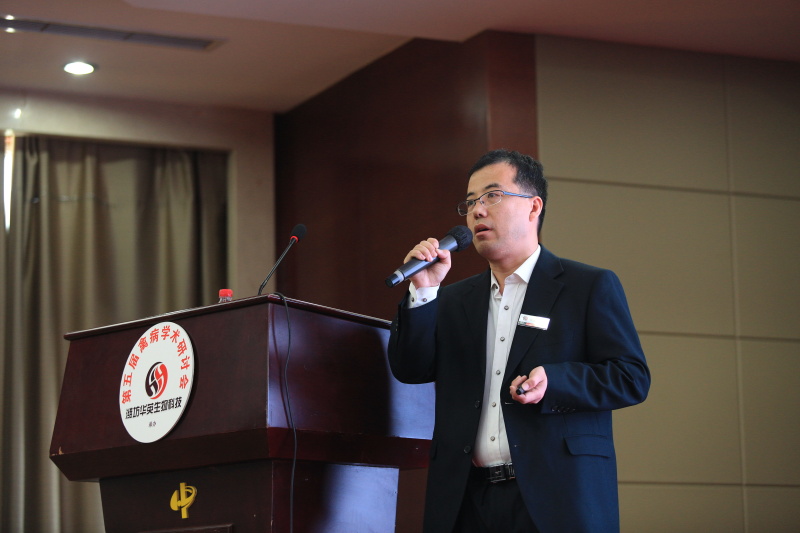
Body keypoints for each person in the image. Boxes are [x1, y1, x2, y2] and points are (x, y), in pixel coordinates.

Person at [388, 149, 650, 533]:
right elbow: (410, 369)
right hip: (465, 499)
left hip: (556, 496)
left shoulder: (587, 286)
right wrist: (424, 291)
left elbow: (631, 377)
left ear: (533, 207)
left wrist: (555, 381)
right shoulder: (453, 299)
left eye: (492, 196)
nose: (477, 210)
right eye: (470, 202)